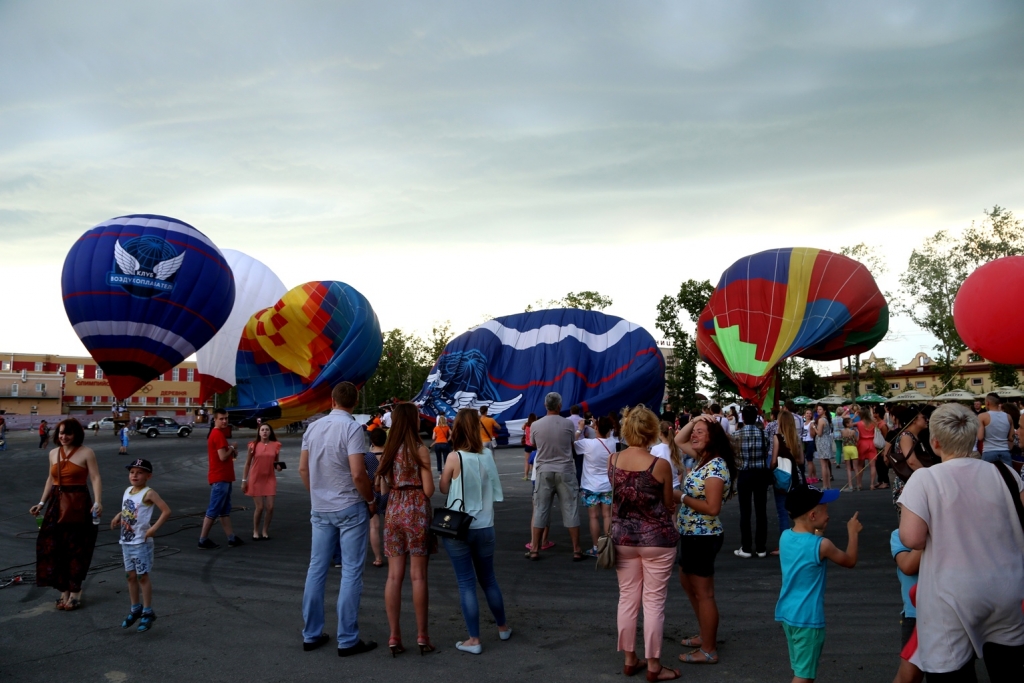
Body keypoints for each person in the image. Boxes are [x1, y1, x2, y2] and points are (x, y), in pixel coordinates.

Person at [899, 403, 1024, 681]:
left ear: (935, 442)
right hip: (1007, 588)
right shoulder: (1006, 473)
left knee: (952, 673)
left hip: (950, 596)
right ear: (974, 438)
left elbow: (912, 538)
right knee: (1009, 669)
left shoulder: (925, 479)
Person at [299, 382, 378, 656]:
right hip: (349, 506)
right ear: (354, 403)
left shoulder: (313, 428)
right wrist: (370, 500)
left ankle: (311, 633)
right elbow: (358, 473)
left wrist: (317, 494)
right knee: (351, 571)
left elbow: (302, 468)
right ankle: (347, 638)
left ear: (332, 401)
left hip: (321, 508)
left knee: (316, 569)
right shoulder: (353, 428)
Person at [611, 406, 681, 681]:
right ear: (652, 431)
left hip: (623, 539)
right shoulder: (659, 465)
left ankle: (630, 659)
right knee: (653, 602)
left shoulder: (613, 460)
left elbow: (618, 498)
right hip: (657, 540)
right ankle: (654, 665)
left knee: (627, 598)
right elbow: (667, 503)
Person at [438, 409, 510, 654]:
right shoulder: (487, 455)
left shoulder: (454, 457)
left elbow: (444, 487)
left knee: (466, 583)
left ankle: (474, 639)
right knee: (489, 579)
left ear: (457, 429)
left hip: (459, 527)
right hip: (485, 526)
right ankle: (502, 627)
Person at [776, 485, 862, 683]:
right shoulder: (822, 545)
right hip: (808, 619)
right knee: (803, 677)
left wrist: (817, 530)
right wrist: (853, 533)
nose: (828, 515)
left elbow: (807, 545)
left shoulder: (785, 536)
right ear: (813, 515)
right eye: (825, 510)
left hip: (788, 613)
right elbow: (849, 561)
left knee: (801, 667)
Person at [673, 414, 737, 665]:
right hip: (690, 533)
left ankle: (709, 649)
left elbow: (712, 508)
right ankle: (705, 635)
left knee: (704, 593)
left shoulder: (716, 465)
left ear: (713, 438)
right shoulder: (703, 459)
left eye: (700, 431)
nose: (694, 435)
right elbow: (679, 438)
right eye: (695, 431)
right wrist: (698, 418)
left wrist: (680, 497)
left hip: (704, 535)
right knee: (688, 585)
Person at [378, 402, 436, 655]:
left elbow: (382, 490)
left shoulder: (388, 451)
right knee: (418, 576)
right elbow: (429, 490)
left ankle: (394, 636)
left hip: (393, 511)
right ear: (412, 421)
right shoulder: (420, 450)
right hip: (417, 511)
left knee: (393, 576)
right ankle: (422, 635)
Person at [28, 419, 102, 611]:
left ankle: (75, 590)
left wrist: (97, 501)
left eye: (68, 433)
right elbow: (50, 479)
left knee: (76, 546)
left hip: (78, 503)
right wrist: (41, 503)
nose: (63, 436)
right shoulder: (53, 453)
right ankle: (64, 589)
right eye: (61, 433)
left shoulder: (86, 452)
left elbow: (95, 477)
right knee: (53, 546)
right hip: (55, 502)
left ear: (76, 434)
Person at [110, 458, 170, 632]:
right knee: (130, 576)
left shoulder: (149, 493)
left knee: (142, 577)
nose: (135, 475)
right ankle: (135, 608)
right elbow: (130, 508)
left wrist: (152, 530)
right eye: (132, 472)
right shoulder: (128, 490)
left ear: (148, 476)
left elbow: (166, 511)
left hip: (140, 542)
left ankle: (147, 611)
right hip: (126, 541)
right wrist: (118, 515)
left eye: (140, 472)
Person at [526, 392, 584, 561]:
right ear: (559, 406)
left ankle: (535, 548)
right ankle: (576, 549)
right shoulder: (567, 424)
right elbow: (571, 442)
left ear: (545, 406)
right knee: (570, 508)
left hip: (544, 470)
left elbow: (533, 443)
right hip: (565, 469)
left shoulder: (536, 425)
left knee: (540, 508)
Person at [197, 408, 243, 549]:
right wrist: (232, 447)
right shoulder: (217, 434)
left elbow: (223, 455)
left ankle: (231, 537)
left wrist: (229, 449)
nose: (224, 421)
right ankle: (203, 539)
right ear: (215, 419)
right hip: (220, 477)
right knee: (214, 509)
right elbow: (222, 456)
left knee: (224, 509)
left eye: (226, 418)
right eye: (222, 418)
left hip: (224, 477)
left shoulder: (217, 434)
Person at [574, 415, 616, 557]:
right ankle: (608, 546)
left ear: (596, 427)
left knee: (593, 517)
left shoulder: (587, 444)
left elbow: (573, 442)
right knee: (607, 516)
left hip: (590, 485)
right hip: (608, 485)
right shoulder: (612, 443)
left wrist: (580, 429)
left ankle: (596, 547)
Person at [734, 405, 772, 559]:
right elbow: (766, 451)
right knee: (761, 511)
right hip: (760, 473)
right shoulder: (764, 434)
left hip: (744, 473)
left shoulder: (736, 434)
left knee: (745, 511)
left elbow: (734, 454)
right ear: (757, 417)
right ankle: (761, 547)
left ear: (743, 417)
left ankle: (746, 547)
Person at [771, 408, 805, 555]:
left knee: (782, 512)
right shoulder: (796, 438)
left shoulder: (777, 437)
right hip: (796, 477)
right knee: (798, 511)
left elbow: (773, 461)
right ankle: (802, 541)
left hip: (783, 478)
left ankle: (785, 545)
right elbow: (801, 460)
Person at [242, 423, 282, 541]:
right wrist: (244, 480)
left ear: (270, 432)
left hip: (270, 478)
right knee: (259, 507)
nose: (264, 432)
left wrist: (278, 467)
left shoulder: (276, 445)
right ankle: (255, 530)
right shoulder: (253, 445)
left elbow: (276, 463)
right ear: (259, 432)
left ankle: (265, 530)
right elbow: (248, 463)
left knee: (270, 507)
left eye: (267, 430)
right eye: (262, 430)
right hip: (256, 478)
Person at [364, 427, 388, 568]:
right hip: (390, 491)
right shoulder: (391, 455)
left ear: (372, 440)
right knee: (391, 525)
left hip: (373, 492)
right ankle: (393, 551)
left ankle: (378, 557)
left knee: (374, 526)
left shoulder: (367, 457)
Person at [977, 392, 1013, 467]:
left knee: (987, 477)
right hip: (1005, 451)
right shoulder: (1008, 417)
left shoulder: (983, 416)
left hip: (989, 451)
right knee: (1007, 477)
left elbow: (980, 437)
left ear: (987, 403)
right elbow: (1011, 438)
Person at [651, 421, 683, 486]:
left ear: (660, 433)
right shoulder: (678, 449)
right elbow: (680, 472)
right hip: (675, 485)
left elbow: (651, 470)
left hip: (661, 486)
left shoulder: (655, 449)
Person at [854, 406, 878, 490]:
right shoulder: (873, 422)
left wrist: (854, 416)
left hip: (862, 443)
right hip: (872, 443)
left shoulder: (859, 423)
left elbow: (849, 423)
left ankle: (859, 484)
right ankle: (872, 484)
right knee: (873, 466)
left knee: (860, 465)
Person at [813, 405, 833, 490]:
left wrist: (814, 427)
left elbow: (819, 433)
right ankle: (828, 485)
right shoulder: (827, 419)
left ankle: (825, 485)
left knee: (823, 465)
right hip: (827, 441)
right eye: (817, 409)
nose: (818, 410)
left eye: (820, 409)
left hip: (822, 442)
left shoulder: (821, 420)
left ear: (824, 410)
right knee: (826, 464)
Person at [840, 418, 861, 491]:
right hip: (853, 448)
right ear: (847, 424)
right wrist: (858, 433)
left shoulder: (842, 431)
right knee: (856, 467)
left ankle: (850, 485)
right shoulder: (852, 432)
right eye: (851, 422)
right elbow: (857, 440)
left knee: (848, 468)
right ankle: (858, 485)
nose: (852, 423)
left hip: (846, 448)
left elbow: (842, 439)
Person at [873, 405, 891, 489]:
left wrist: (884, 449)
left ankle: (886, 482)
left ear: (877, 414)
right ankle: (880, 480)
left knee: (883, 465)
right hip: (877, 448)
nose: (873, 414)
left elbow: (886, 438)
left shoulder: (883, 425)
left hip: (882, 448)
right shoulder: (877, 423)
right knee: (878, 465)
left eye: (874, 412)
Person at [802, 409, 818, 484]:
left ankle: (810, 477)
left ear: (811, 415)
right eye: (807, 413)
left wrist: (812, 428)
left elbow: (813, 435)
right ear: (804, 414)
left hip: (810, 442)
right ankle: (814, 476)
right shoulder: (804, 423)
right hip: (804, 442)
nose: (808, 415)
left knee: (809, 461)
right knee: (810, 461)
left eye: (810, 413)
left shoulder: (812, 423)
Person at [522, 413, 537, 480]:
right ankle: (533, 475)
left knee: (527, 460)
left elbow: (522, 428)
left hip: (528, 444)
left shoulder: (526, 425)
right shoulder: (535, 425)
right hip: (534, 444)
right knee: (534, 460)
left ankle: (526, 475)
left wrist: (526, 422)